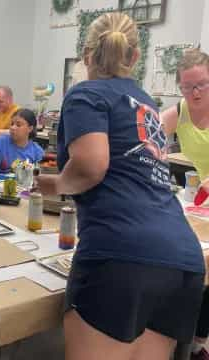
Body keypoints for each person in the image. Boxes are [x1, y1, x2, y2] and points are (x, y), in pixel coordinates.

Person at [34, 13, 204, 360]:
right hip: (181, 259)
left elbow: (92, 165)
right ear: (136, 58)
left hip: (121, 254)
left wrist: (54, 184)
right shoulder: (147, 104)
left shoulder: (87, 94)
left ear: (86, 54)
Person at [161, 48, 209, 360]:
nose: (193, 93)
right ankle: (195, 341)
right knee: (198, 261)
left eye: (201, 85)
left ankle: (199, 342)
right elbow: (146, 135)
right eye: (186, 87)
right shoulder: (180, 111)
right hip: (205, 201)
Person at [0, 108, 43, 175]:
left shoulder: (37, 151)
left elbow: (38, 176)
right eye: (12, 124)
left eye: (18, 125)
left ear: (30, 128)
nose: (13, 128)